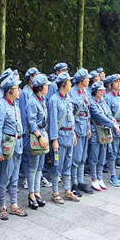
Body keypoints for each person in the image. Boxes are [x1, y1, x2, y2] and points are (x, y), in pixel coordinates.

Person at [0, 75, 27, 219]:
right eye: (16, 88)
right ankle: (2, 206)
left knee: (14, 178)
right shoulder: (0, 105)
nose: (19, 91)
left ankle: (14, 204)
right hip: (7, 147)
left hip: (17, 145)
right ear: (9, 91)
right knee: (4, 177)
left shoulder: (15, 104)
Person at [48, 72, 79, 204]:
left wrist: (74, 133)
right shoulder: (54, 100)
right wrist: (54, 139)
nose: (71, 84)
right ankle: (55, 192)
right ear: (63, 84)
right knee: (57, 165)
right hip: (60, 137)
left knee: (68, 164)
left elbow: (71, 117)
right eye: (69, 82)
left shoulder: (67, 98)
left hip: (69, 135)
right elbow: (53, 121)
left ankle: (67, 190)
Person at [89, 81, 120, 191]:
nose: (102, 92)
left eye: (102, 90)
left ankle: (100, 177)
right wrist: (113, 124)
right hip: (96, 130)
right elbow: (99, 116)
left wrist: (112, 118)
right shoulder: (92, 103)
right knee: (94, 156)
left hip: (104, 131)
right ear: (95, 91)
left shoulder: (102, 101)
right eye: (100, 90)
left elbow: (108, 113)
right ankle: (94, 179)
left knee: (102, 155)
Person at [26, 74, 50, 210]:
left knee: (40, 166)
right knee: (33, 166)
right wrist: (40, 137)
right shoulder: (32, 101)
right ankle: (31, 194)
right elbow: (31, 122)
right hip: (36, 136)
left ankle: (37, 192)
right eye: (46, 85)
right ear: (40, 87)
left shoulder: (42, 99)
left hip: (42, 133)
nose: (47, 87)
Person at [70, 69, 93, 196]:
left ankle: (80, 181)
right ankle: (74, 183)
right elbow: (71, 114)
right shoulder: (72, 93)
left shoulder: (86, 92)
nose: (88, 80)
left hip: (85, 125)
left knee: (83, 157)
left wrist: (89, 127)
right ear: (81, 80)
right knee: (76, 157)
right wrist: (72, 131)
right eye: (86, 78)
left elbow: (88, 111)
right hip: (77, 126)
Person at [104, 74, 120, 185]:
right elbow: (107, 113)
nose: (118, 83)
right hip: (114, 127)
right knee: (112, 152)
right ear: (111, 84)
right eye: (116, 82)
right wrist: (113, 124)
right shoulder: (108, 97)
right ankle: (113, 175)